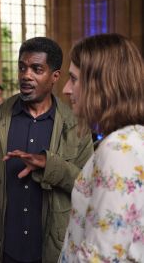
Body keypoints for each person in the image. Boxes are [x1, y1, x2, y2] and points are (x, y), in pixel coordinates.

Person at [0, 37, 94, 263]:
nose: (26, 75)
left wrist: (49, 166)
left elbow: (88, 186)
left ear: (54, 76)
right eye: (22, 67)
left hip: (51, 250)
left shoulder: (76, 125)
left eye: (36, 69)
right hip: (2, 249)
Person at [59, 34, 144, 262]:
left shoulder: (118, 150)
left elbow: (104, 255)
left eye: (74, 79)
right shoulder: (135, 137)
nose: (66, 89)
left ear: (102, 85)